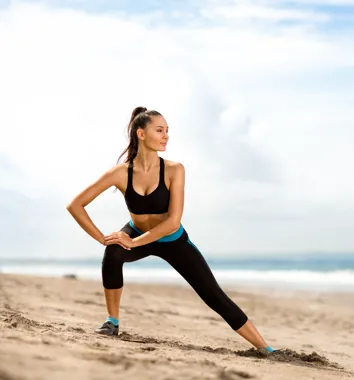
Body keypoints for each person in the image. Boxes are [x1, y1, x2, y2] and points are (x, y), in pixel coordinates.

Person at [66, 106, 275, 353]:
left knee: (213, 295)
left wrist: (135, 242)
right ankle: (112, 322)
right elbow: (75, 205)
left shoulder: (175, 170)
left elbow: (173, 221)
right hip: (136, 233)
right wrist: (103, 238)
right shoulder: (121, 173)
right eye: (159, 130)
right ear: (141, 134)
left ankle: (265, 348)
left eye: (167, 131)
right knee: (113, 251)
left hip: (173, 240)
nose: (166, 136)